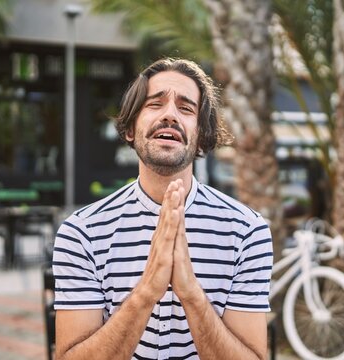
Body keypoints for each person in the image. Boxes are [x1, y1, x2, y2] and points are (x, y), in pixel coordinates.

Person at [53, 58, 273, 360]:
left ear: (201, 138)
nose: (170, 115)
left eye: (186, 108)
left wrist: (191, 294)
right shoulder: (82, 233)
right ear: (130, 128)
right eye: (155, 104)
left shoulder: (246, 233)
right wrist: (146, 291)